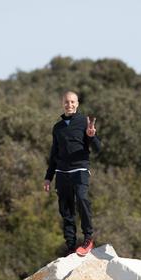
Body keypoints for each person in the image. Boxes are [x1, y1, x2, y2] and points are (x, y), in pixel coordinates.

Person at [44, 91, 101, 256]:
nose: (70, 105)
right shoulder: (58, 128)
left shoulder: (85, 122)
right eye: (67, 102)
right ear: (63, 104)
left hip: (80, 169)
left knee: (82, 199)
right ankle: (70, 246)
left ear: (77, 103)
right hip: (62, 172)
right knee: (66, 210)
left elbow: (99, 148)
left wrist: (92, 136)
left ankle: (88, 239)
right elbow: (54, 154)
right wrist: (48, 177)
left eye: (73, 102)